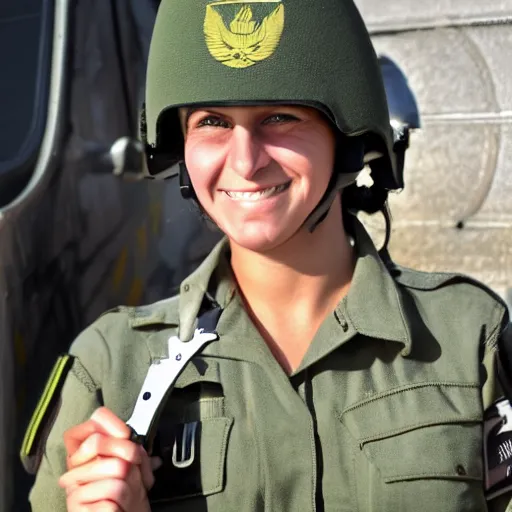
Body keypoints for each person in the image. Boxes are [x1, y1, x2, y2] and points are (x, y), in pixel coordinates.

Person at [21, 0, 512, 510]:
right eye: (212, 121)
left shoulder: (469, 340)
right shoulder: (109, 369)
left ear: (347, 140)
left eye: (280, 116)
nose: (245, 161)